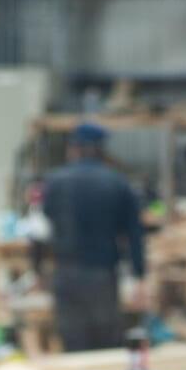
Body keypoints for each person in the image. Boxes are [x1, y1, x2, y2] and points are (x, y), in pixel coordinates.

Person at [42, 121, 147, 352]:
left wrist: (41, 270)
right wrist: (139, 275)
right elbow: (133, 234)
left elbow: (45, 222)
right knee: (104, 344)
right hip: (102, 275)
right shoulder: (118, 184)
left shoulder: (55, 182)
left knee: (73, 342)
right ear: (101, 150)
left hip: (66, 272)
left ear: (74, 149)